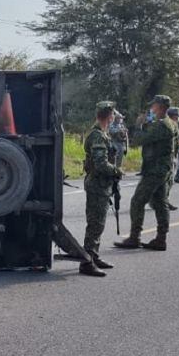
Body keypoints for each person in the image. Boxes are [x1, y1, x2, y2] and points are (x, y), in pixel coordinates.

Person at [114, 94, 178, 251]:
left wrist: (138, 125)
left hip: (155, 169)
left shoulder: (162, 125)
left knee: (137, 201)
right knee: (160, 202)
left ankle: (135, 237)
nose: (151, 108)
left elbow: (139, 140)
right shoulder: (168, 123)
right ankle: (160, 239)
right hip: (162, 168)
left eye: (154, 105)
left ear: (161, 107)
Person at [78, 101, 123, 277]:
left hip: (101, 185)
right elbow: (100, 164)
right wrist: (117, 170)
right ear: (109, 116)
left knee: (99, 224)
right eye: (113, 115)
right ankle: (87, 262)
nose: (114, 118)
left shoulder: (102, 134)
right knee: (95, 225)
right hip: (97, 185)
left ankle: (94, 257)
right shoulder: (98, 136)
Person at [166, 107, 179, 211]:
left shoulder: (174, 126)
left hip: (172, 156)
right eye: (177, 116)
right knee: (168, 180)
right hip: (166, 159)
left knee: (168, 180)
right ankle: (164, 201)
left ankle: (163, 201)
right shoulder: (168, 126)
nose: (178, 118)